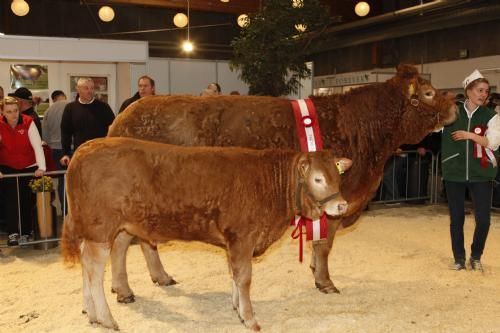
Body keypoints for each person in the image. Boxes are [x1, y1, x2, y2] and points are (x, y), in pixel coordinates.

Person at [441, 69, 500, 271]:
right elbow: (431, 126)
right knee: (456, 218)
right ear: (468, 91)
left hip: (481, 173)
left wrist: (470, 135)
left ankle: (476, 256)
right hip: (454, 171)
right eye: (480, 90)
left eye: (486, 91)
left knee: (483, 220)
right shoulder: (451, 111)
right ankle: (459, 258)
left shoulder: (491, 116)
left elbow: (493, 143)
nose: (483, 95)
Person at [0, 96, 46, 246]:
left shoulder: (28, 122)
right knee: (11, 202)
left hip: (29, 168)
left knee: (26, 201)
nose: (13, 115)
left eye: (15, 111)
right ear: (2, 112)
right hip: (8, 168)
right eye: (9, 112)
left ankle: (26, 232)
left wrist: (41, 167)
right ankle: (13, 233)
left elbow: (37, 146)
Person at [60, 78, 115, 167]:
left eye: (92, 88)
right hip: (80, 155)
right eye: (86, 88)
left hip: (101, 155)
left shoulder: (104, 107)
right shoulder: (70, 108)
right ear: (78, 89)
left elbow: (113, 129)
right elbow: (66, 133)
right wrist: (65, 154)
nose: (90, 91)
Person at [42, 90, 68, 207]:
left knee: (62, 180)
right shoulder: (71, 106)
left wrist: (52, 143)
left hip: (56, 150)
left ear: (53, 99)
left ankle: (64, 211)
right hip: (70, 148)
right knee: (74, 180)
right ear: (64, 96)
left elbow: (45, 136)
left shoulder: (48, 111)